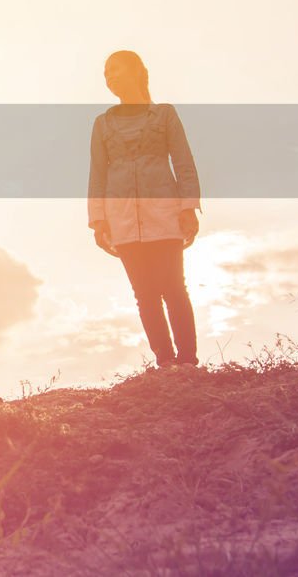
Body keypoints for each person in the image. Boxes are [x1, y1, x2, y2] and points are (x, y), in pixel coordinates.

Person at [87, 50, 202, 369]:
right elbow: (97, 174)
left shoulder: (164, 115)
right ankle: (165, 363)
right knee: (144, 294)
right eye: (105, 73)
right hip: (121, 218)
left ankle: (188, 362)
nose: (110, 77)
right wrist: (98, 220)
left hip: (163, 212)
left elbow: (183, 162)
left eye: (115, 69)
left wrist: (188, 206)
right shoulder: (102, 123)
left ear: (137, 71)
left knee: (174, 288)